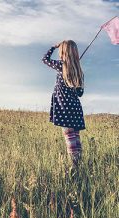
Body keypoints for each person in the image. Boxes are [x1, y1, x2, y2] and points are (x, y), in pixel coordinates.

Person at [42, 40, 85, 171]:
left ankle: (74, 167)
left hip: (64, 108)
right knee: (75, 137)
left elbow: (45, 59)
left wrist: (52, 47)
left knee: (69, 137)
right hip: (76, 109)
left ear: (63, 52)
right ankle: (78, 164)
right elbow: (80, 93)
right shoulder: (79, 71)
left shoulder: (61, 65)